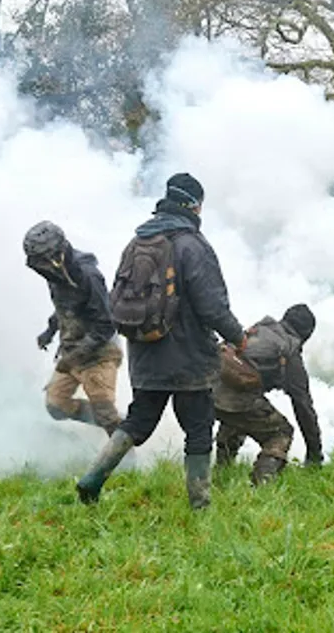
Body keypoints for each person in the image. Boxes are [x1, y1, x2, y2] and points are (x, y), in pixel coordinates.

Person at [76, 173, 246, 509]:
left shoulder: (137, 243)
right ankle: (200, 505)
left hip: (145, 353)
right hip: (190, 358)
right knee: (198, 429)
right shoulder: (193, 246)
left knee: (138, 421)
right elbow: (212, 306)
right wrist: (238, 337)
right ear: (195, 205)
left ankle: (92, 479)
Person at [23, 221, 124, 437]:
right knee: (56, 405)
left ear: (56, 254)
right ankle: (122, 427)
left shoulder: (89, 276)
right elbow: (64, 307)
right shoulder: (55, 275)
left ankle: (124, 456)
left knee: (104, 411)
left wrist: (75, 356)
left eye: (42, 260)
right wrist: (50, 331)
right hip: (71, 350)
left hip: (101, 353)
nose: (40, 266)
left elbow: (106, 325)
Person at [215, 304, 323, 483]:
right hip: (233, 398)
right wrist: (315, 454)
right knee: (281, 432)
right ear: (306, 335)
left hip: (205, 388)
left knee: (241, 417)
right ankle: (262, 484)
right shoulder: (289, 351)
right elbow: (303, 406)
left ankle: (221, 472)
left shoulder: (259, 330)